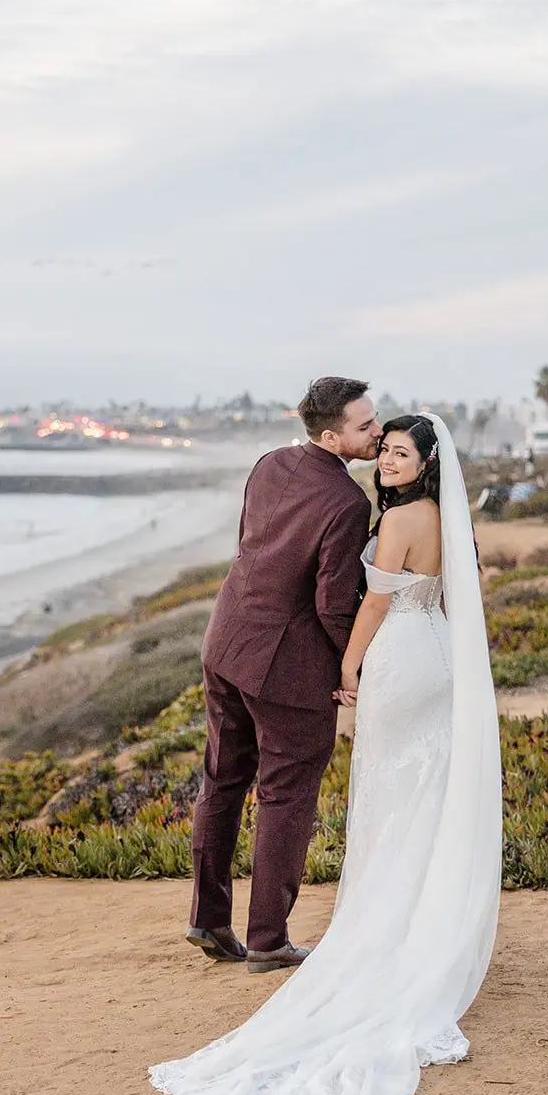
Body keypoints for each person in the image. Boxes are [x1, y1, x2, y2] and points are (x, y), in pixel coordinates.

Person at [148, 412, 502, 1095]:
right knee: (412, 795)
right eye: (376, 438)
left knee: (256, 785)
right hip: (424, 653)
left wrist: (346, 665)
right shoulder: (427, 516)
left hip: (311, 648)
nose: (382, 452)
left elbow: (363, 599)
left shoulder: (296, 479)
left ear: (427, 463)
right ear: (334, 428)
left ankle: (224, 921)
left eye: (398, 449)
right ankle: (288, 932)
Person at [183, 376, 379, 973]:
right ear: (331, 435)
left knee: (222, 781)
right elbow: (332, 603)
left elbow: (251, 543)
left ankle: (208, 919)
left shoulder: (269, 464)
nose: (377, 431)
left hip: (226, 641)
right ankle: (268, 940)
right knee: (285, 796)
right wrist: (357, 666)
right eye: (365, 425)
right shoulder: (348, 503)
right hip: (286, 670)